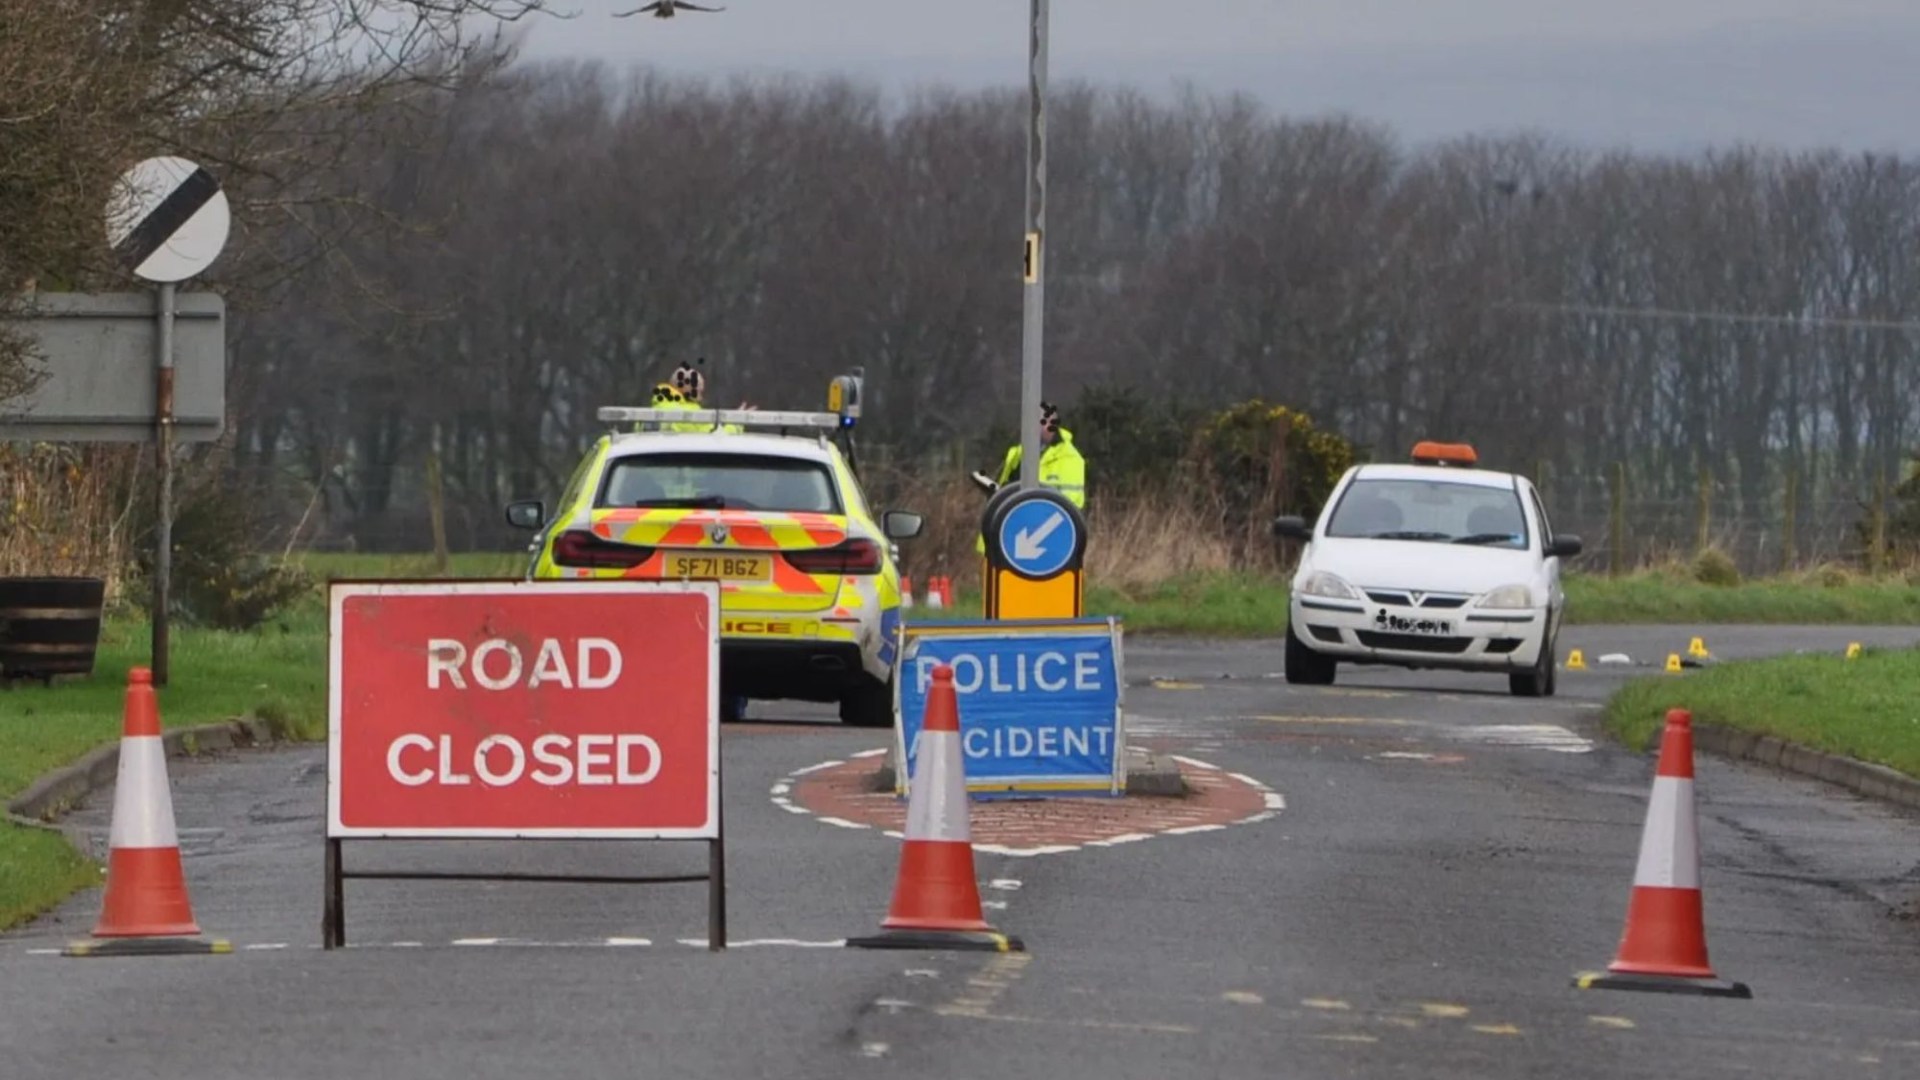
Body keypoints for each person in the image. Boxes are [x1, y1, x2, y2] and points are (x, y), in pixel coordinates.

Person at [974, 400, 1087, 552]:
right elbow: (1004, 490)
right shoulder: (1018, 453)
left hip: (1044, 539)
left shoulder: (1070, 458)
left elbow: (1070, 506)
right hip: (1006, 535)